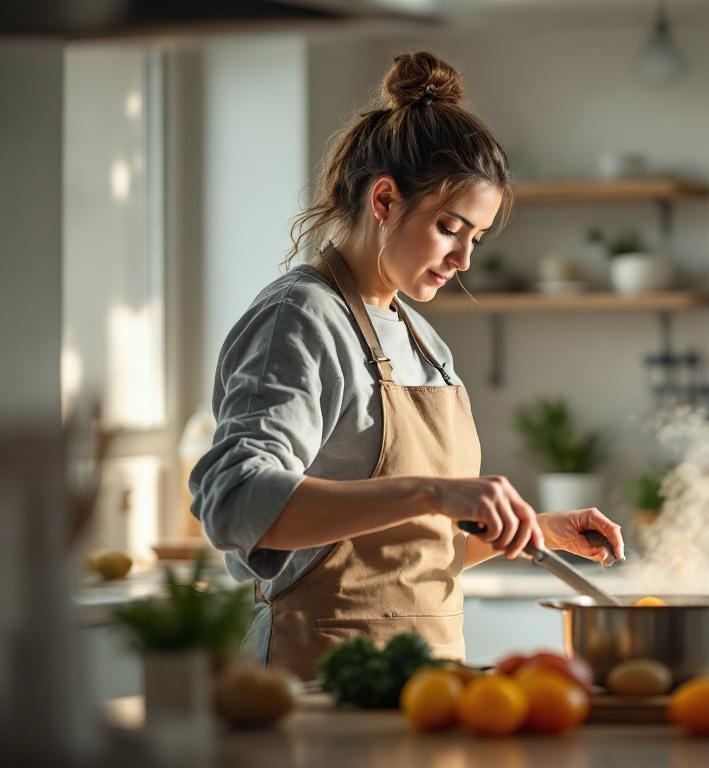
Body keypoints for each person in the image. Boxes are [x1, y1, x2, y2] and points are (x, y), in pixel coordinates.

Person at [189, 51, 625, 681]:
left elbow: (405, 556)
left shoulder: (423, 342)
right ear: (386, 199)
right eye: (450, 228)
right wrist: (434, 491)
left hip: (427, 682)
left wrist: (539, 530)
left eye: (475, 239)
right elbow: (234, 502)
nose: (463, 260)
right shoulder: (300, 319)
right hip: (321, 683)